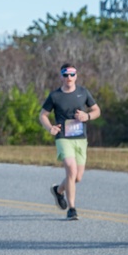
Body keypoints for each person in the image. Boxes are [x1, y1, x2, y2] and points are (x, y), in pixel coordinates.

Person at [39, 63, 102, 221]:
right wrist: (50, 128)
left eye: (72, 74)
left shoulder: (83, 92)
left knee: (77, 177)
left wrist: (87, 116)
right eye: (65, 74)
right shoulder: (55, 95)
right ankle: (72, 209)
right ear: (61, 76)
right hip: (63, 137)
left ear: (76, 76)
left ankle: (58, 190)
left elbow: (97, 110)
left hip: (80, 138)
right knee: (71, 170)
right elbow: (43, 115)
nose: (69, 77)